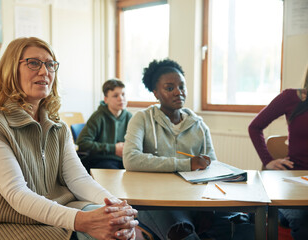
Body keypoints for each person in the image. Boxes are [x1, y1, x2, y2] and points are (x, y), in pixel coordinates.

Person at [0, 37, 138, 240]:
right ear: (11, 69)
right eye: (33, 63)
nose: (44, 72)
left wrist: (116, 206)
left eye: (50, 65)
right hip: (1, 224)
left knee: (115, 224)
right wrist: (82, 221)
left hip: (56, 209)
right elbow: (17, 194)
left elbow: (78, 179)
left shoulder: (58, 127)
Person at [123, 59, 254, 240]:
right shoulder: (142, 119)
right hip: (158, 201)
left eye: (182, 86)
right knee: (183, 233)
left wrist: (206, 204)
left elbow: (212, 166)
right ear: (156, 93)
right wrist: (187, 164)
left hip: (196, 199)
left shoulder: (199, 125)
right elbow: (130, 159)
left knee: (243, 227)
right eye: (170, 88)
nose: (179, 92)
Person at [249, 67, 308, 240]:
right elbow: (255, 126)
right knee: (303, 221)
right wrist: (268, 161)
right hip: (291, 184)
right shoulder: (291, 97)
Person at [76, 79, 132, 171]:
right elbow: (82, 143)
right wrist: (113, 148)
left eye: (123, 94)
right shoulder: (98, 117)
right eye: (115, 95)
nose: (121, 98)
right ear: (106, 99)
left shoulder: (129, 116)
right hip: (102, 160)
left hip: (124, 160)